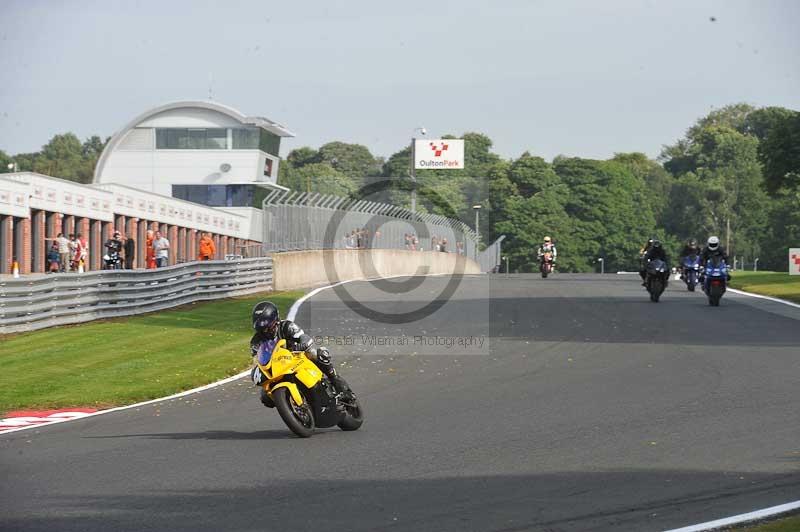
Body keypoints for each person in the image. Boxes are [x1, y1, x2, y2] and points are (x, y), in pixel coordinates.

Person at [248, 301, 346, 394]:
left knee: (315, 353)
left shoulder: (287, 326)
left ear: (275, 319)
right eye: (261, 326)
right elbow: (256, 360)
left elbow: (302, 336)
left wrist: (302, 344)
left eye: (267, 324)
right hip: (276, 367)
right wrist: (255, 370)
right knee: (264, 395)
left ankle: (335, 379)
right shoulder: (256, 341)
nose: (265, 329)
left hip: (296, 357)